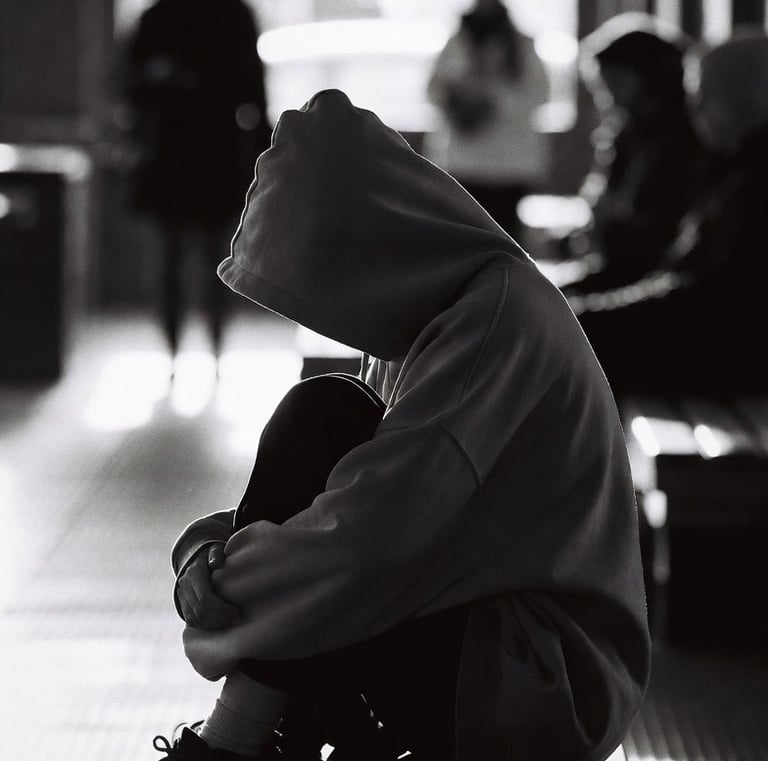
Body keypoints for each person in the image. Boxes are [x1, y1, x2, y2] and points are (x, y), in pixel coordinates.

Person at [152, 89, 650, 761]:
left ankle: (234, 744)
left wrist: (225, 586)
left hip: (544, 681)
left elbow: (368, 540)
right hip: (485, 632)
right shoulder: (433, 315)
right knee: (327, 429)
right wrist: (198, 558)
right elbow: (337, 511)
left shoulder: (493, 322)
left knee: (324, 416)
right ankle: (251, 740)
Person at [571, 28, 768, 399]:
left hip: (727, 362)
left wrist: (585, 319)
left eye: (705, 98)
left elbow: (707, 304)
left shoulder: (751, 185)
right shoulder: (739, 171)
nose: (695, 112)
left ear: (744, 100)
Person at [117, 0, 271, 367]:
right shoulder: (233, 14)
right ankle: (209, 352)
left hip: (174, 154)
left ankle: (181, 354)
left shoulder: (158, 17)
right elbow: (254, 94)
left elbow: (129, 87)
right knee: (212, 257)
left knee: (183, 259)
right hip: (210, 152)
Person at [561, 13, 702, 294]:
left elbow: (663, 231)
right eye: (603, 87)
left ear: (650, 79)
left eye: (616, 83)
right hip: (624, 269)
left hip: (656, 279)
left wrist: (609, 232)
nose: (609, 97)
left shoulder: (682, 142)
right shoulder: (625, 138)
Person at [424, 0, 550, 240]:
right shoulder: (455, 44)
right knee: (465, 239)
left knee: (504, 240)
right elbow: (434, 90)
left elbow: (539, 93)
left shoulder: (521, 46)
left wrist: (490, 105)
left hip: (508, 167)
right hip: (464, 165)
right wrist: (459, 105)